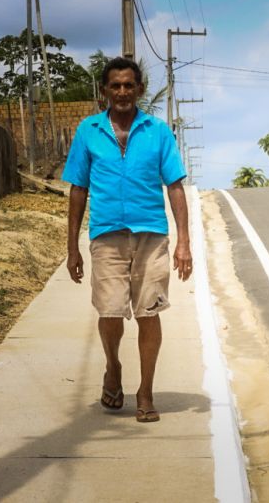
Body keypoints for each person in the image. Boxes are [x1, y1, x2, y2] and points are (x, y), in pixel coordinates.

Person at [62, 57, 192, 423]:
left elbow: (176, 187)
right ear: (104, 90)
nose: (122, 92)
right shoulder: (88, 131)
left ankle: (146, 392)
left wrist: (183, 243)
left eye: (129, 85)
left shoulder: (158, 131)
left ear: (139, 90)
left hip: (151, 235)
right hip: (106, 236)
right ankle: (113, 367)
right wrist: (72, 246)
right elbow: (78, 189)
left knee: (149, 312)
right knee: (110, 311)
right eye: (115, 86)